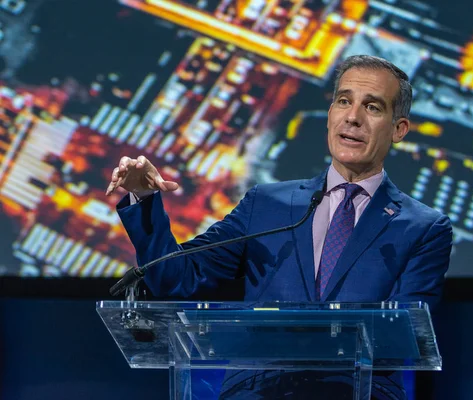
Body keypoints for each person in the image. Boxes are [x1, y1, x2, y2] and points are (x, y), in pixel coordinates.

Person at [107, 55, 453, 399]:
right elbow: (178, 278)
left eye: (373, 107)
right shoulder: (267, 204)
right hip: (258, 391)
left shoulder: (423, 228)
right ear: (330, 114)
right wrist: (144, 198)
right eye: (343, 101)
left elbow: (401, 335)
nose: (353, 117)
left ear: (398, 129)